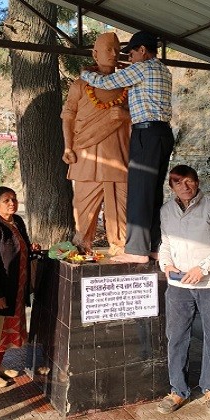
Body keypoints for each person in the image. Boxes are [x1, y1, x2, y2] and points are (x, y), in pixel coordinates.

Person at [80, 30, 174, 263]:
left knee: (140, 191)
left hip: (146, 133)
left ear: (142, 50)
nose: (128, 58)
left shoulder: (142, 68)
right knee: (153, 193)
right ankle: (152, 246)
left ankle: (136, 250)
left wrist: (85, 74)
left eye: (130, 53)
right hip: (162, 133)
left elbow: (108, 81)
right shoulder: (164, 71)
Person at [158, 165, 210, 415]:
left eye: (189, 181)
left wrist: (203, 269)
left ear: (198, 182)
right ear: (171, 187)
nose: (185, 187)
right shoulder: (166, 211)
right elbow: (166, 243)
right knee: (176, 337)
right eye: (178, 182)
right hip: (178, 286)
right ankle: (178, 390)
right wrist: (166, 264)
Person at [61, 32, 131, 256]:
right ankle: (82, 248)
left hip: (118, 158)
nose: (114, 53)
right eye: (108, 49)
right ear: (95, 53)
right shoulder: (81, 85)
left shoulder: (127, 86)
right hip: (86, 157)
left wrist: (124, 115)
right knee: (83, 211)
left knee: (122, 213)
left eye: (117, 50)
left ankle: (121, 250)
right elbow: (68, 116)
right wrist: (67, 146)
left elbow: (139, 117)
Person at [0, 187, 39, 387]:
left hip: (17, 288)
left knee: (4, 332)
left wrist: (31, 249)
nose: (12, 203)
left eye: (13, 199)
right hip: (0, 289)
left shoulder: (17, 221)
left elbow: (23, 246)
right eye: (6, 200)